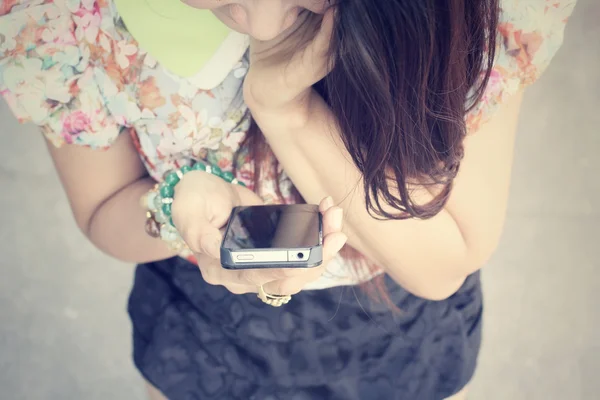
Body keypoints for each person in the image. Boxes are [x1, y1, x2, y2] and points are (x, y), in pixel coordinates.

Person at [0, 0, 577, 399]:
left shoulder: (473, 14)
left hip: (401, 334)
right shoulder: (64, 19)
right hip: (202, 338)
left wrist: (289, 114)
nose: (265, 23)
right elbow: (102, 212)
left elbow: (446, 258)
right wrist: (172, 208)